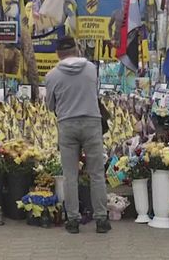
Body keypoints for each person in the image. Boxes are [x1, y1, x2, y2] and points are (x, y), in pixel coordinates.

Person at [45, 36, 110, 234]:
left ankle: (72, 220)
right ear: (76, 49)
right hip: (91, 123)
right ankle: (101, 219)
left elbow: (50, 106)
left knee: (70, 175)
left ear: (58, 53)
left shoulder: (51, 76)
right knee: (96, 173)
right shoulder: (91, 69)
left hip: (67, 125)